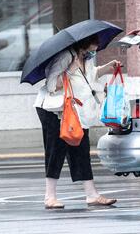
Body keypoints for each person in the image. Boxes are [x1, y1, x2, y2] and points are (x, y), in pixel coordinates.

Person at [34, 34, 120, 209]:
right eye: (93, 47)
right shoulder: (65, 57)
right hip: (55, 111)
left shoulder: (85, 59)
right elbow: (51, 85)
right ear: (83, 44)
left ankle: (92, 195)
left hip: (76, 111)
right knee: (55, 150)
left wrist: (107, 68)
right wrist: (70, 70)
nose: (95, 50)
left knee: (81, 150)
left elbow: (90, 76)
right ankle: (49, 197)